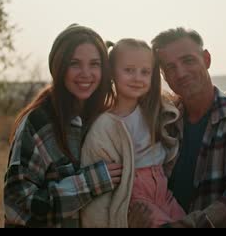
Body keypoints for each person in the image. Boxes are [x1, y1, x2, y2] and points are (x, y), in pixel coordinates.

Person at [146, 27, 226, 228]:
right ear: (164, 76)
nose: (181, 73)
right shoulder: (164, 123)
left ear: (207, 59)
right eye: (170, 67)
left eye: (188, 60)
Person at [3, 24, 123, 228]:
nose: (86, 73)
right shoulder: (39, 123)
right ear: (59, 68)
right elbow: (17, 206)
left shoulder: (104, 121)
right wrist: (89, 183)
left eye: (94, 64)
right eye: (74, 63)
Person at [79, 38, 186, 228]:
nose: (138, 78)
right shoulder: (104, 125)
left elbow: (188, 102)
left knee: (187, 222)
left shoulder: (154, 109)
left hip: (163, 191)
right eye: (129, 70)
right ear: (111, 72)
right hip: (135, 194)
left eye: (145, 72)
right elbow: (98, 196)